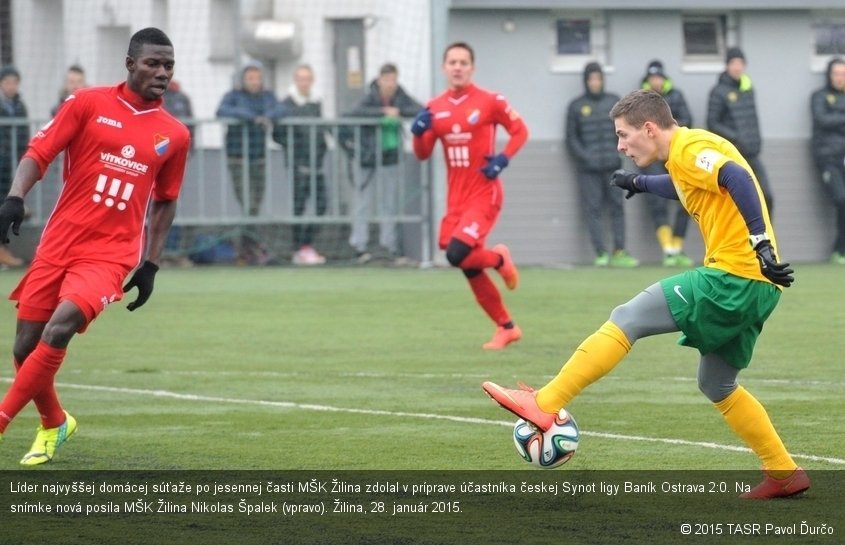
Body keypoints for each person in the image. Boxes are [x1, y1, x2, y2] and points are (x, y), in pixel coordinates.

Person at [483, 89, 809, 500]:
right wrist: (638, 181)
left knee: (628, 317)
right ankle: (783, 471)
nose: (620, 145)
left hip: (734, 277)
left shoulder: (692, 147)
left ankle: (545, 403)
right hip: (758, 287)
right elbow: (686, 185)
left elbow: (736, 177)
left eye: (624, 135)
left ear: (649, 128)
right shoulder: (683, 156)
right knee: (717, 384)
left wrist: (760, 243)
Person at [0, 27, 190, 464]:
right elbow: (39, 151)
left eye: (168, 65)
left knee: (59, 328)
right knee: (24, 347)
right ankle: (55, 423)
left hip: (110, 254)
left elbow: (166, 201)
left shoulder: (174, 134)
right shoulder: (88, 102)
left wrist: (151, 263)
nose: (162, 72)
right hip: (60, 241)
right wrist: (15, 197)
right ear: (130, 65)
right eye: (153, 64)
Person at [412, 42, 528, 350]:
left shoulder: (490, 101)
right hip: (457, 200)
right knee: (464, 261)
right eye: (452, 62)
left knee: (456, 253)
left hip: (484, 193)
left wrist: (502, 159)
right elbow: (422, 154)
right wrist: (417, 133)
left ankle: (499, 258)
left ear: (472, 68)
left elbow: (520, 131)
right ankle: (507, 327)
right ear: (444, 67)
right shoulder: (434, 107)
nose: (458, 67)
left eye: (464, 62)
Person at [344, 63, 423, 264]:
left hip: (391, 156)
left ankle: (388, 245)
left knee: (390, 202)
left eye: (393, 80)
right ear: (379, 80)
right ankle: (358, 246)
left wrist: (398, 112)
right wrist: (382, 113)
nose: (390, 84)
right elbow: (354, 113)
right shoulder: (369, 97)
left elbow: (419, 109)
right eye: (386, 80)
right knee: (363, 202)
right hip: (368, 158)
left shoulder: (401, 96)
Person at [566, 62, 638, 268]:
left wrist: (620, 153)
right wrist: (586, 158)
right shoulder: (576, 106)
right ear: (586, 81)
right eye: (591, 79)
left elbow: (626, 130)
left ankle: (619, 251)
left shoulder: (614, 102)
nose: (595, 83)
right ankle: (600, 252)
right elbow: (571, 138)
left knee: (617, 207)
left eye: (598, 78)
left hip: (613, 166)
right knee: (593, 209)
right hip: (588, 170)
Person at [216, 61, 285, 263]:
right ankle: (249, 248)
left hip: (259, 158)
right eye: (250, 78)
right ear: (243, 80)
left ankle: (247, 249)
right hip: (237, 158)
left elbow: (281, 109)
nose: (254, 82)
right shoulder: (233, 96)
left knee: (255, 205)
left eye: (257, 78)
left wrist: (266, 117)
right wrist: (251, 117)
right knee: (249, 204)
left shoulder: (267, 96)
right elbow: (222, 111)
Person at [638, 60, 694, 267]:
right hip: (652, 155)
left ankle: (677, 247)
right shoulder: (640, 101)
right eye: (652, 78)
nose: (656, 81)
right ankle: (668, 249)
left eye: (658, 77)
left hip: (675, 153)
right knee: (657, 201)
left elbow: (686, 119)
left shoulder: (676, 96)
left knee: (686, 198)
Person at [708, 47, 774, 214]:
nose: (737, 67)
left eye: (740, 63)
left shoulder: (748, 89)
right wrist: (736, 138)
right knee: (739, 203)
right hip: (733, 156)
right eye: (733, 63)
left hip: (752, 153)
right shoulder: (718, 92)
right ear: (727, 66)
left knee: (767, 197)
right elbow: (712, 123)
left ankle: (767, 240)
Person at [275, 64, 328, 265]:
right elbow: (277, 133)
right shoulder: (287, 104)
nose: (304, 82)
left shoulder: (316, 102)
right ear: (295, 81)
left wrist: (322, 146)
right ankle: (298, 248)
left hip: (317, 164)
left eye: (308, 78)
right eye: (301, 78)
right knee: (299, 207)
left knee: (322, 205)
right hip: (298, 165)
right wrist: (293, 145)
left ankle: (307, 244)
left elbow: (319, 129)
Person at [810, 57, 845, 264]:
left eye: (843, 74)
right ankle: (838, 249)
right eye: (837, 74)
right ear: (829, 75)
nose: (840, 78)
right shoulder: (819, 96)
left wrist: (837, 118)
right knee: (841, 199)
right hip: (827, 158)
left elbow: (833, 121)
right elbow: (822, 120)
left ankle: (841, 249)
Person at [0, 65, 29, 268]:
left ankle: (3, 250)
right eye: (7, 82)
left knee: (6, 204)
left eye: (14, 82)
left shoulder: (20, 105)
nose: (11, 86)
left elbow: (24, 132)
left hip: (10, 165)